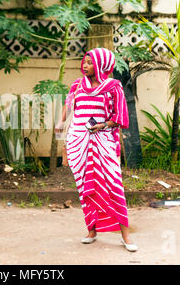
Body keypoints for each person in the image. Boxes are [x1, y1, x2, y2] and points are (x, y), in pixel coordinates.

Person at [55, 47, 138, 252]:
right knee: (86, 188)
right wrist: (60, 121)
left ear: (102, 65)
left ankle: (125, 237)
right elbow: (69, 104)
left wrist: (101, 126)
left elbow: (120, 117)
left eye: (90, 62)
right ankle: (92, 231)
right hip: (79, 141)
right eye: (85, 61)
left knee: (113, 186)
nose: (85, 65)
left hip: (103, 141)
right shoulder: (77, 85)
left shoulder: (113, 87)